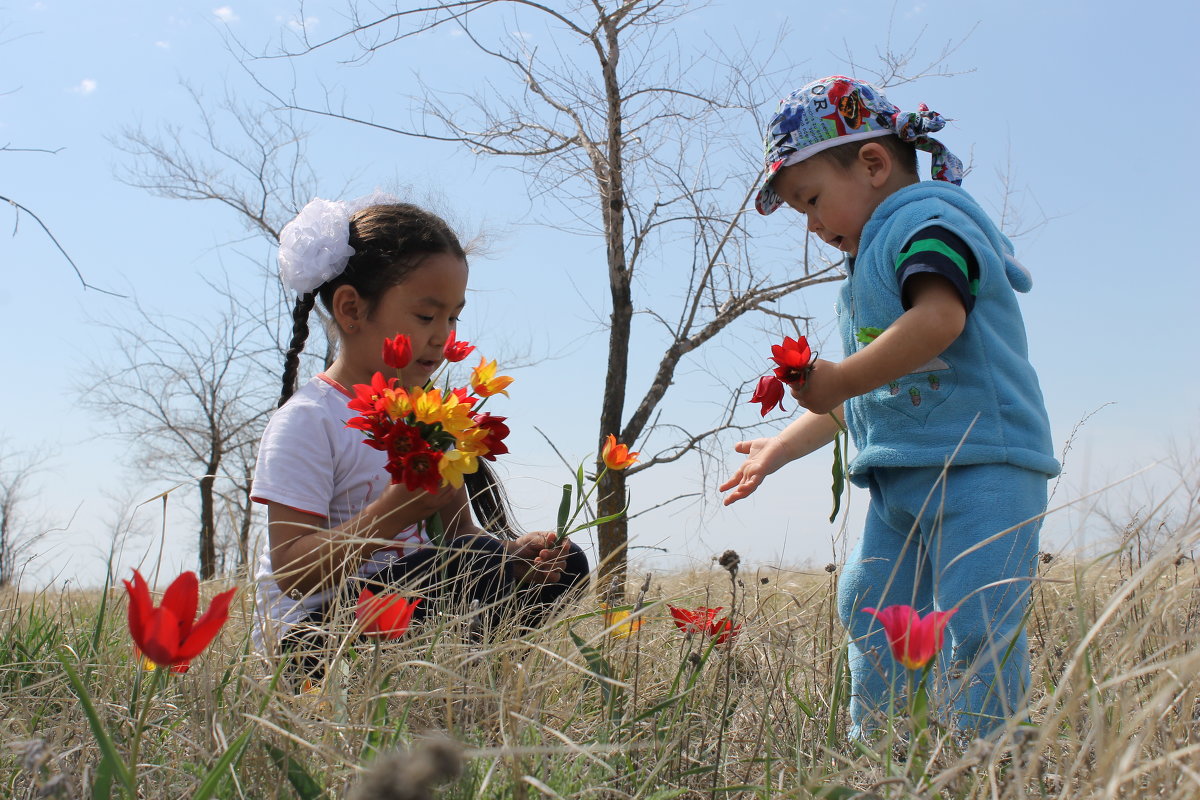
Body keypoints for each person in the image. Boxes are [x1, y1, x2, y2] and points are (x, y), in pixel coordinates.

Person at [720, 77, 1059, 738]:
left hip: (981, 463)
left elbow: (938, 319)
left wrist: (840, 375)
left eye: (812, 201)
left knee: (977, 614)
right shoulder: (866, 271)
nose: (813, 227)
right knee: (867, 603)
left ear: (873, 164)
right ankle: (876, 746)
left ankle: (986, 760)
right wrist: (781, 447)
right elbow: (865, 393)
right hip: (903, 477)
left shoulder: (925, 221)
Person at [252, 192, 589, 681]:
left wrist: (516, 557)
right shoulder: (309, 419)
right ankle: (431, 678)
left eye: (454, 318)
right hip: (314, 639)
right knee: (465, 570)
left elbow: (461, 539)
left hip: (405, 604)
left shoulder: (429, 416)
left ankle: (462, 678)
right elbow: (293, 572)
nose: (443, 336)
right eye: (427, 316)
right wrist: (392, 513)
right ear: (351, 308)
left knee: (566, 561)